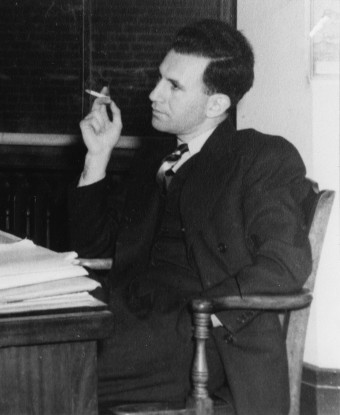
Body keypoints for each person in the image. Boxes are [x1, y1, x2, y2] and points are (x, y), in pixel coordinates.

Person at [68, 19, 312, 415]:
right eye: (159, 78)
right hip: (129, 315)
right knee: (37, 351)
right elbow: (94, 249)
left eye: (173, 86)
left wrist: (209, 317)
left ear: (216, 104)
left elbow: (285, 262)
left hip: (196, 335)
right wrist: (98, 158)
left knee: (50, 367)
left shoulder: (258, 158)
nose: (153, 93)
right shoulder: (155, 158)